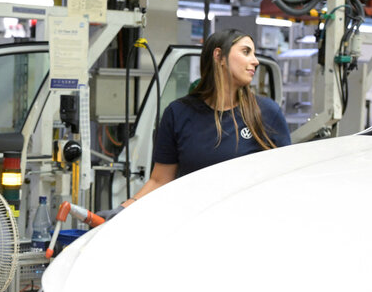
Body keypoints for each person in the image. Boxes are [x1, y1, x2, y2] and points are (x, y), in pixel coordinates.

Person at [100, 29, 291, 220]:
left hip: (246, 223)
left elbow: (287, 179)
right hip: (190, 224)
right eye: (246, 51)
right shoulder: (178, 113)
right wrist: (124, 209)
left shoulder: (266, 113)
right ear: (219, 56)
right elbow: (160, 180)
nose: (255, 61)